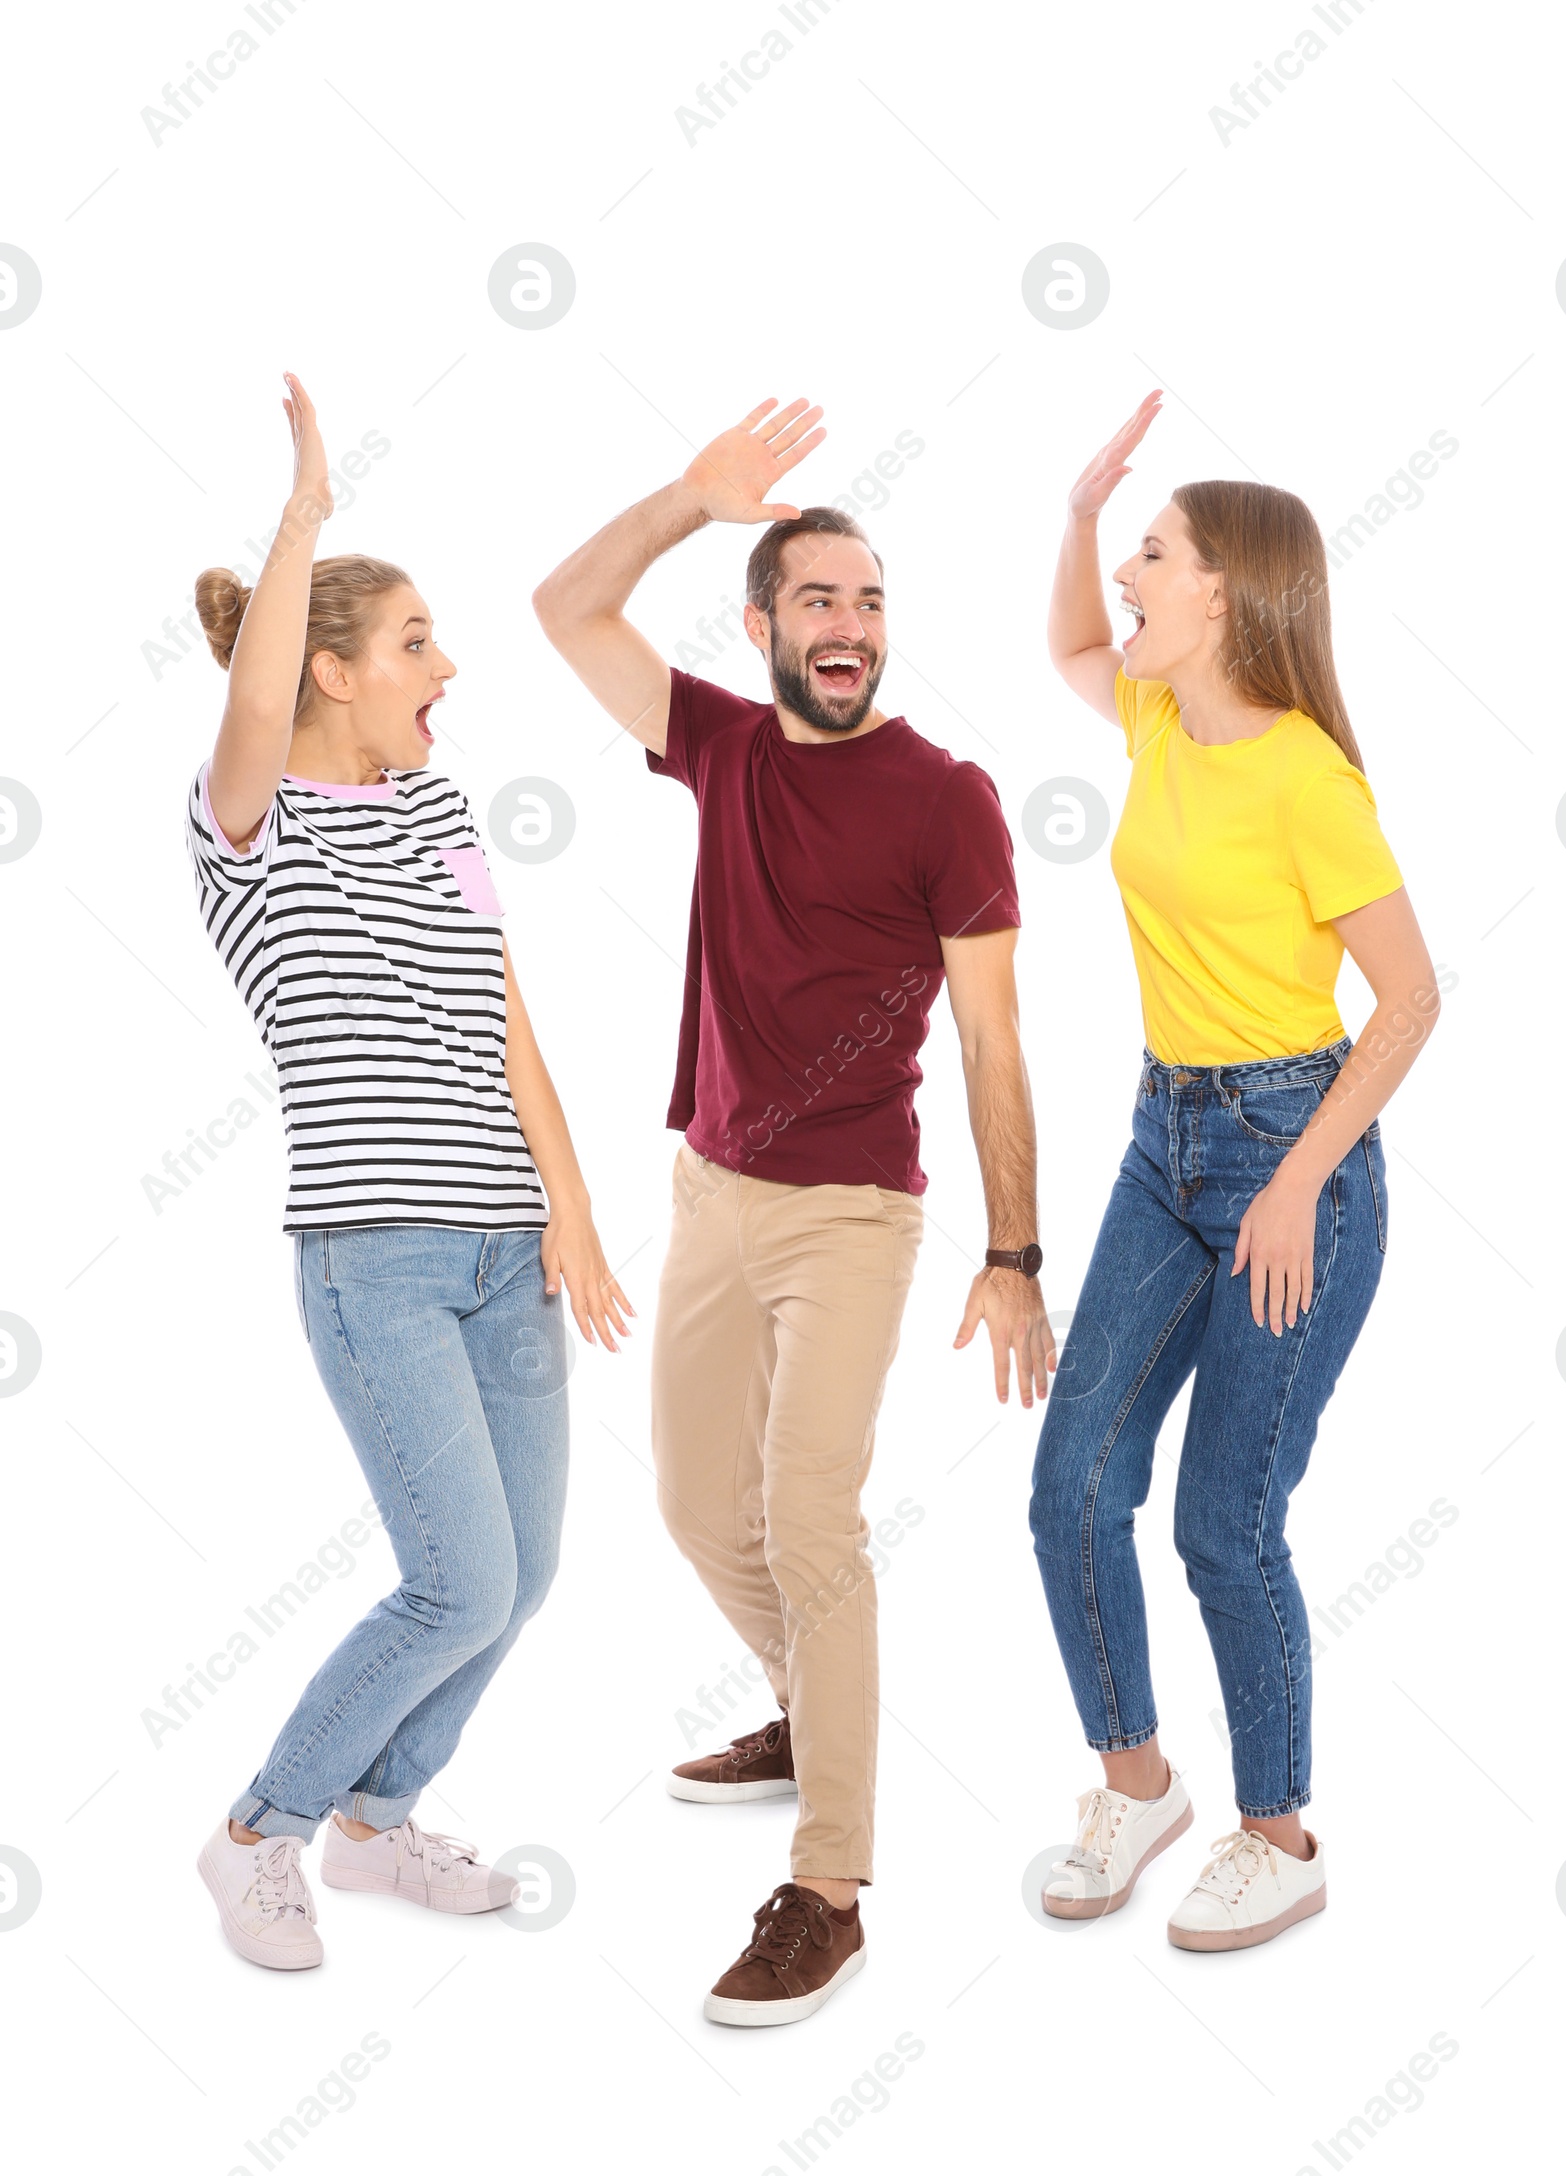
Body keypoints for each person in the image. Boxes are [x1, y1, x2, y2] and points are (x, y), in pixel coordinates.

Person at [534, 396, 1056, 2024]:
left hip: (850, 1213)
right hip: (710, 1189)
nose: (852, 626)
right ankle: (801, 1704)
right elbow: (563, 609)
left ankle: (828, 1887)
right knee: (701, 1509)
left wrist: (1016, 1253)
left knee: (812, 1516)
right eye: (820, 600)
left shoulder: (945, 798)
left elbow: (993, 1038)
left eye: (873, 600)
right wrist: (691, 499)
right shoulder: (722, 742)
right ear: (762, 630)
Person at [189, 376, 631, 1971]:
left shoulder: (440, 803)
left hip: (507, 1245)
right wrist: (306, 512)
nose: (451, 666)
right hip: (371, 1256)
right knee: (456, 1584)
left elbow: (504, 1015)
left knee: (524, 1579)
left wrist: (570, 1213)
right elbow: (249, 718)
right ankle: (259, 1833)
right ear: (330, 670)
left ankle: (380, 1820)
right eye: (419, 642)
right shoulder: (249, 826)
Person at [1030, 389, 1438, 1949]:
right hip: (1162, 1143)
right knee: (1071, 1487)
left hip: (1296, 1163)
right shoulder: (1153, 712)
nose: (1131, 576)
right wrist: (1077, 516)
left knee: (1223, 1523)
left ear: (1226, 592)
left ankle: (1280, 1831)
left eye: (1154, 552)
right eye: (1132, 551)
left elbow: (1409, 1001)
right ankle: (1138, 1786)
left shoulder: (1309, 779)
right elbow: (1073, 648)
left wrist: (1292, 1184)